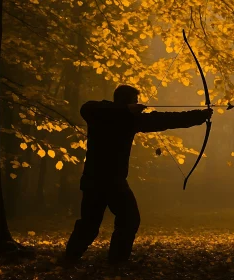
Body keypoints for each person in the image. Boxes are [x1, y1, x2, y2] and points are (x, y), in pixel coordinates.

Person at [63, 85, 212, 264]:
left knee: (111, 222)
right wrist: (125, 109)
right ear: (125, 101)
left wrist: (200, 115)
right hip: (105, 181)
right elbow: (86, 107)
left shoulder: (130, 120)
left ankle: (105, 262)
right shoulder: (99, 113)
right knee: (103, 223)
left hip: (103, 180)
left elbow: (167, 119)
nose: (136, 103)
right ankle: (77, 260)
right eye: (133, 100)